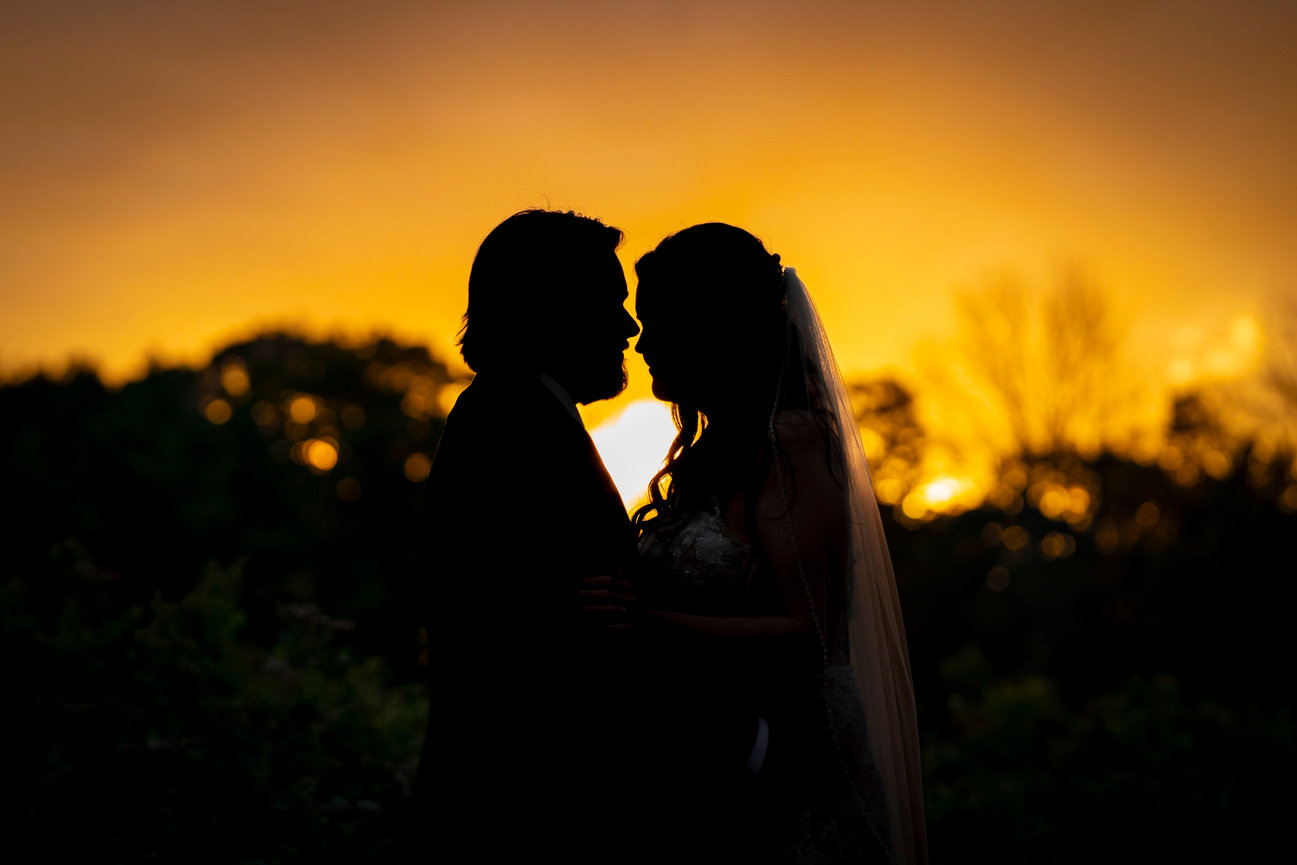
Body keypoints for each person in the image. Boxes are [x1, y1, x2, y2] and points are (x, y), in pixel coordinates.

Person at [626, 223, 929, 864]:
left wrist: (646, 624)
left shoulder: (791, 443)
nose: (643, 343)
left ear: (713, 327)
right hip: (718, 776)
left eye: (658, 323)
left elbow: (809, 632)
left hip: (795, 776)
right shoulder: (715, 456)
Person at [405, 209, 642, 860]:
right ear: (559, 311)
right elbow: (539, 642)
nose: (628, 327)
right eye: (613, 304)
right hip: (522, 812)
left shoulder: (521, 413)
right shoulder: (511, 423)